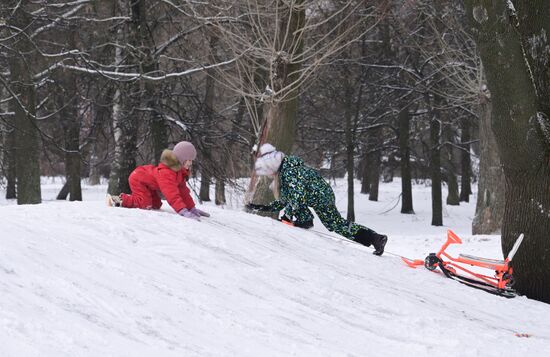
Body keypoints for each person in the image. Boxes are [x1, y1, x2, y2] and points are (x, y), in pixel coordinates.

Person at [246, 143, 388, 255]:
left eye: (268, 171)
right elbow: (286, 198)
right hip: (322, 195)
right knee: (337, 224)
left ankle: (305, 220)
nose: (269, 174)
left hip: (320, 196)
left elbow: (297, 195)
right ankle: (375, 238)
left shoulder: (289, 171)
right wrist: (263, 208)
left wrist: (288, 216)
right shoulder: (287, 169)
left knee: (328, 220)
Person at [106, 141, 210, 221]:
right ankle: (116, 199)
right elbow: (171, 194)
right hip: (138, 178)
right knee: (144, 203)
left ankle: (122, 199)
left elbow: (183, 191)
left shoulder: (179, 172)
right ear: (181, 158)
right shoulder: (167, 173)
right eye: (189, 160)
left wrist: (191, 208)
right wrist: (182, 210)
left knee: (156, 204)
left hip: (149, 184)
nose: (191, 163)